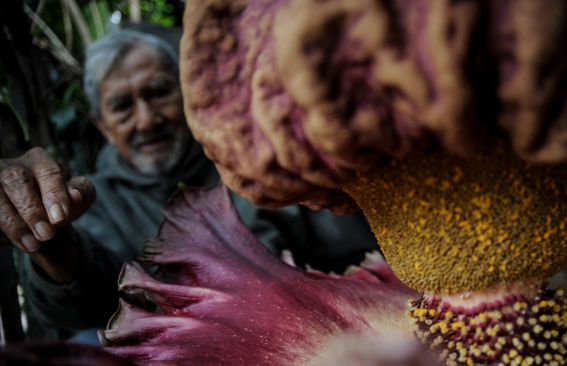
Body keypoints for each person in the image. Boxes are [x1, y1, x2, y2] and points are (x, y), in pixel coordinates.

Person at [0, 30, 378, 337]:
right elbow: (86, 304)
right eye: (123, 106)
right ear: (102, 125)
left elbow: (352, 244)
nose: (146, 120)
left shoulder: (260, 161)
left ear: (190, 96)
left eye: (158, 92)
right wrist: (49, 242)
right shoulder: (96, 200)